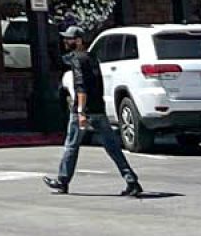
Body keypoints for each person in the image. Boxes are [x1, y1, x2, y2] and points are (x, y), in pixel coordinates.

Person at [45, 26, 143, 197]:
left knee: (71, 146)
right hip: (99, 109)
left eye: (69, 39)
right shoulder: (91, 58)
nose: (65, 41)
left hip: (83, 110)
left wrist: (81, 112)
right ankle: (131, 180)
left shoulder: (77, 60)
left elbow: (81, 87)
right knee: (113, 147)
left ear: (78, 41)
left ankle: (62, 181)